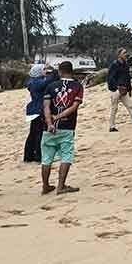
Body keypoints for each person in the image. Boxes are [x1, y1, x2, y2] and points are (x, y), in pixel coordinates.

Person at [41, 60, 83, 195]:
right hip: (67, 126)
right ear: (72, 71)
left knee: (47, 158)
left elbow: (46, 106)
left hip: (48, 128)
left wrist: (49, 122)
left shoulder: (51, 86)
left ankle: (45, 186)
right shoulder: (77, 86)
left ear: (59, 71)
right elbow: (74, 107)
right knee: (66, 156)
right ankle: (61, 186)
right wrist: (58, 117)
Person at [24, 63, 58, 162]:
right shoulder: (37, 83)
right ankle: (38, 156)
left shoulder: (33, 81)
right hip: (38, 111)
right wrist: (54, 71)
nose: (45, 71)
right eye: (43, 70)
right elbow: (49, 80)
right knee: (39, 134)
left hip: (34, 110)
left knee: (33, 134)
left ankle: (29, 156)